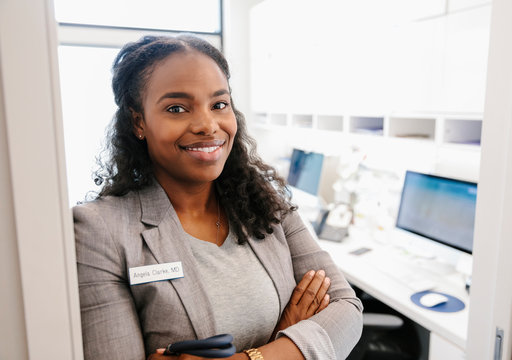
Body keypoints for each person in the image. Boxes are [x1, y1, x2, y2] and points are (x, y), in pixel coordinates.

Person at [74, 34, 363, 360]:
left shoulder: (267, 203)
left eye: (219, 104)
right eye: (177, 108)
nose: (207, 125)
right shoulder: (98, 231)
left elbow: (347, 311)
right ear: (139, 121)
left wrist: (250, 358)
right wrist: (289, 336)